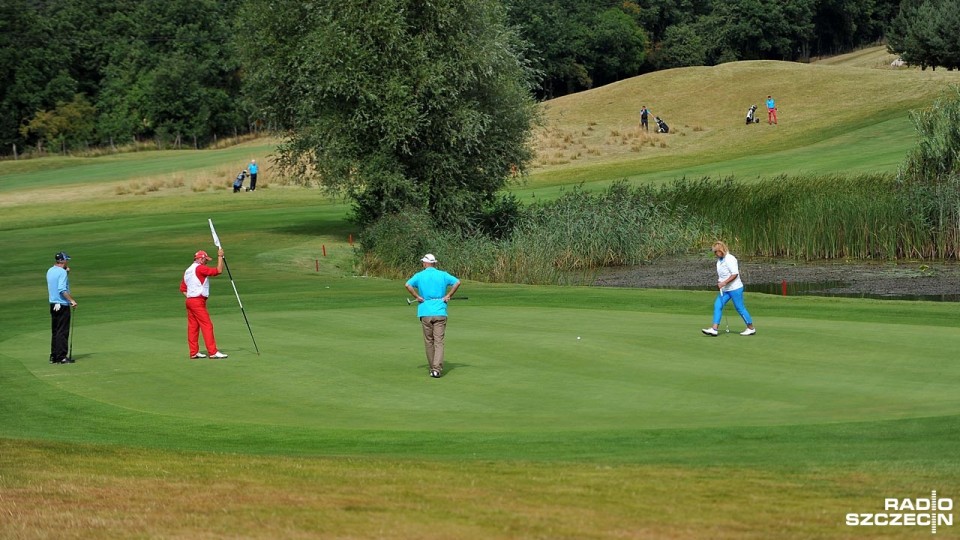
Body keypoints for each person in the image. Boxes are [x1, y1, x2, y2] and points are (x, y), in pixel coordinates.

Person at [404, 253, 461, 378]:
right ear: (434, 263)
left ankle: (433, 368)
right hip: (440, 311)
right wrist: (448, 295)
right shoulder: (442, 274)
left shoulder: (419, 275)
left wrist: (417, 297)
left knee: (429, 341)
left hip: (425, 312)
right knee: (439, 342)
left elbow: (407, 285)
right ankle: (436, 369)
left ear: (425, 263)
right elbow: (457, 282)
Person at [180, 248, 229, 359]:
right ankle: (212, 352)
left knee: (193, 327)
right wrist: (220, 256)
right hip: (197, 301)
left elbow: (182, 288)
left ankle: (193, 352)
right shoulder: (200, 268)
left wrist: (191, 297)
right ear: (201, 259)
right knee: (207, 325)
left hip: (190, 301)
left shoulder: (188, 270)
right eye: (205, 260)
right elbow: (218, 271)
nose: (206, 262)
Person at [702, 241, 756, 337]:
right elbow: (723, 274)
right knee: (717, 305)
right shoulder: (719, 261)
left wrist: (724, 282)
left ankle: (751, 328)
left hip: (735, 288)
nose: (715, 254)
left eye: (716, 252)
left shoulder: (730, 259)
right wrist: (720, 281)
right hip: (725, 289)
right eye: (714, 252)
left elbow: (734, 274)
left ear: (721, 250)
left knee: (740, 308)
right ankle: (714, 329)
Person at [47, 251, 77, 364]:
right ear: (63, 261)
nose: (67, 262)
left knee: (55, 331)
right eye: (66, 260)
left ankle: (54, 356)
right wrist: (72, 301)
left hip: (53, 304)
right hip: (62, 305)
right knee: (62, 331)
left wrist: (65, 273)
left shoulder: (50, 270)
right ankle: (61, 357)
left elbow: (56, 283)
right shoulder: (62, 272)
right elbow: (62, 290)